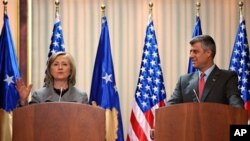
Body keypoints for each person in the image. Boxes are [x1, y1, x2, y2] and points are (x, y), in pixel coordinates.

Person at [167, 35, 244, 108]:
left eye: (195, 52)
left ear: (208, 53)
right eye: (190, 51)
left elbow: (236, 107)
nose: (191, 56)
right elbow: (169, 108)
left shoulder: (227, 77)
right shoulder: (183, 80)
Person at [16, 52, 88, 106]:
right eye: (56, 64)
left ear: (71, 70)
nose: (60, 68)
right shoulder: (38, 95)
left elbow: (86, 122)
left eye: (64, 64)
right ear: (50, 70)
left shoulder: (81, 96)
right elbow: (29, 119)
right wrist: (23, 101)